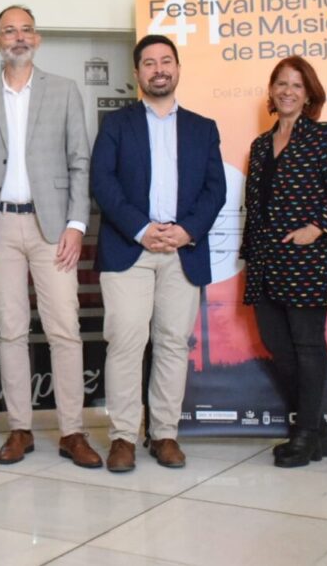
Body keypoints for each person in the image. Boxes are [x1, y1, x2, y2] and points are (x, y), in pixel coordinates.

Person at [0, 5, 101, 468]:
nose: (18, 37)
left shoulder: (64, 91)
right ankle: (19, 429)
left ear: (36, 39)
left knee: (64, 330)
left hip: (53, 227)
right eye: (9, 31)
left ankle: (72, 431)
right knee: (11, 331)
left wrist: (76, 226)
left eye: (26, 30)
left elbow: (79, 162)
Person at [91, 34, 226, 473]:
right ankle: (123, 437)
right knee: (126, 342)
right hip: (128, 247)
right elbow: (102, 182)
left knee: (172, 344)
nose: (159, 69)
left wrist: (186, 231)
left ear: (178, 69)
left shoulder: (203, 128)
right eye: (149, 63)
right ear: (137, 74)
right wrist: (142, 229)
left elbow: (215, 190)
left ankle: (165, 434)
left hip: (182, 250)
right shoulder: (116, 124)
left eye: (166, 61)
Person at [239, 56, 327, 468]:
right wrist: (250, 254)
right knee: (277, 345)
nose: (287, 91)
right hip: (264, 262)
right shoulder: (260, 145)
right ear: (271, 91)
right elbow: (255, 208)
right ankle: (318, 428)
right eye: (281, 83)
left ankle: (305, 434)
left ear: (308, 94)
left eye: (296, 85)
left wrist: (317, 228)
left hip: (306, 260)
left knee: (307, 346)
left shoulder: (325, 135)